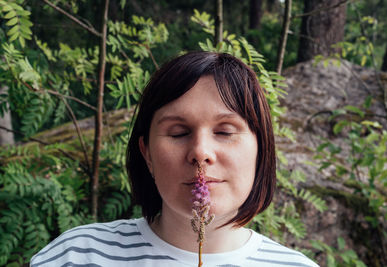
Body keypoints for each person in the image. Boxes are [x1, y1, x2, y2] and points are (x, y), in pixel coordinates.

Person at [31, 52, 319, 267]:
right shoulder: (76, 256)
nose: (200, 152)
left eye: (224, 131)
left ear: (261, 149)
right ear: (147, 154)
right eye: (179, 132)